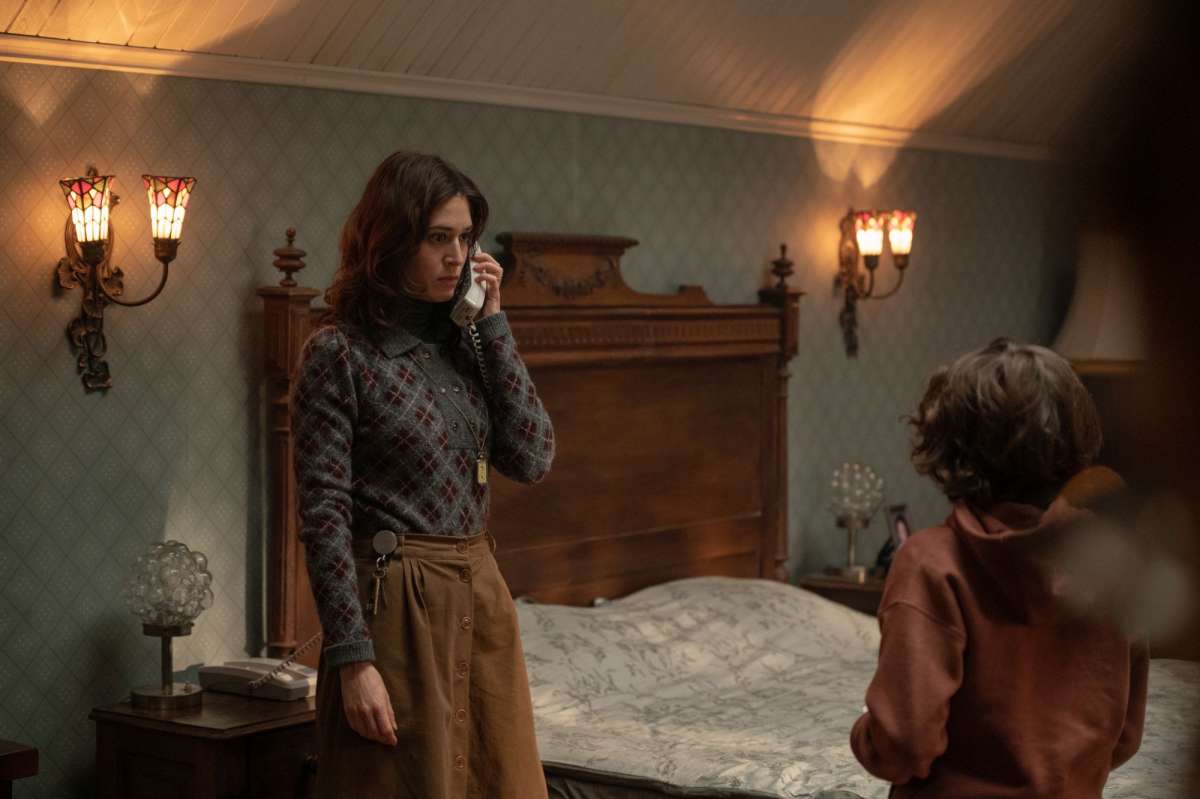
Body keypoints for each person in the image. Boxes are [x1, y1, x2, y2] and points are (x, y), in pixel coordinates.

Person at [291, 151, 555, 798]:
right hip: (394, 613)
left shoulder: (468, 345)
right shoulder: (339, 353)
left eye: (465, 239)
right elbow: (324, 516)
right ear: (391, 240)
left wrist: (493, 323)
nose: (456, 257)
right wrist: (352, 660)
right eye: (438, 238)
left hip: (481, 602)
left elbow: (532, 456)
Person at [850, 339, 1148, 798]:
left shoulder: (932, 564)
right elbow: (1124, 734)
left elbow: (903, 744)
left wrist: (866, 735)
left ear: (951, 446)